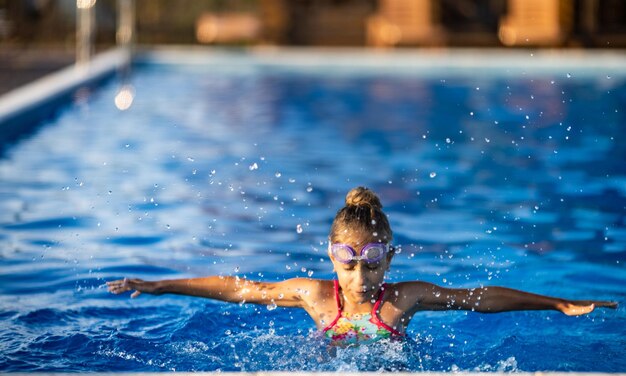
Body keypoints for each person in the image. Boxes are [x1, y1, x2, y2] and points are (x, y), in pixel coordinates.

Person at [107, 186, 618, 346]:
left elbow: (480, 299)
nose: (361, 276)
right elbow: (239, 288)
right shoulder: (314, 296)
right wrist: (161, 286)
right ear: (332, 255)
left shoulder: (406, 298)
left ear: (388, 257)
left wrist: (556, 302)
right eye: (349, 261)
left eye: (373, 262)